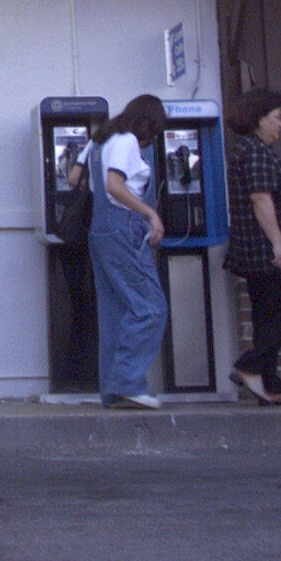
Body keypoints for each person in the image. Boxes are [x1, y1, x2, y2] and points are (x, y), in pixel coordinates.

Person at [66, 94, 169, 410]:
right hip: (124, 226)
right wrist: (150, 213)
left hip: (100, 228)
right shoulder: (126, 141)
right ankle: (128, 383)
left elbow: (73, 178)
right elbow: (114, 185)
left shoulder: (99, 140)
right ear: (148, 121)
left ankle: (113, 390)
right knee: (150, 306)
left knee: (114, 312)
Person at [223, 87, 281, 406]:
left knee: (266, 314)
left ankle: (269, 384)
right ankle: (250, 364)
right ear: (260, 120)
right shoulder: (256, 151)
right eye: (276, 118)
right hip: (265, 249)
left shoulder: (247, 149)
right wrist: (279, 245)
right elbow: (261, 198)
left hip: (253, 248)